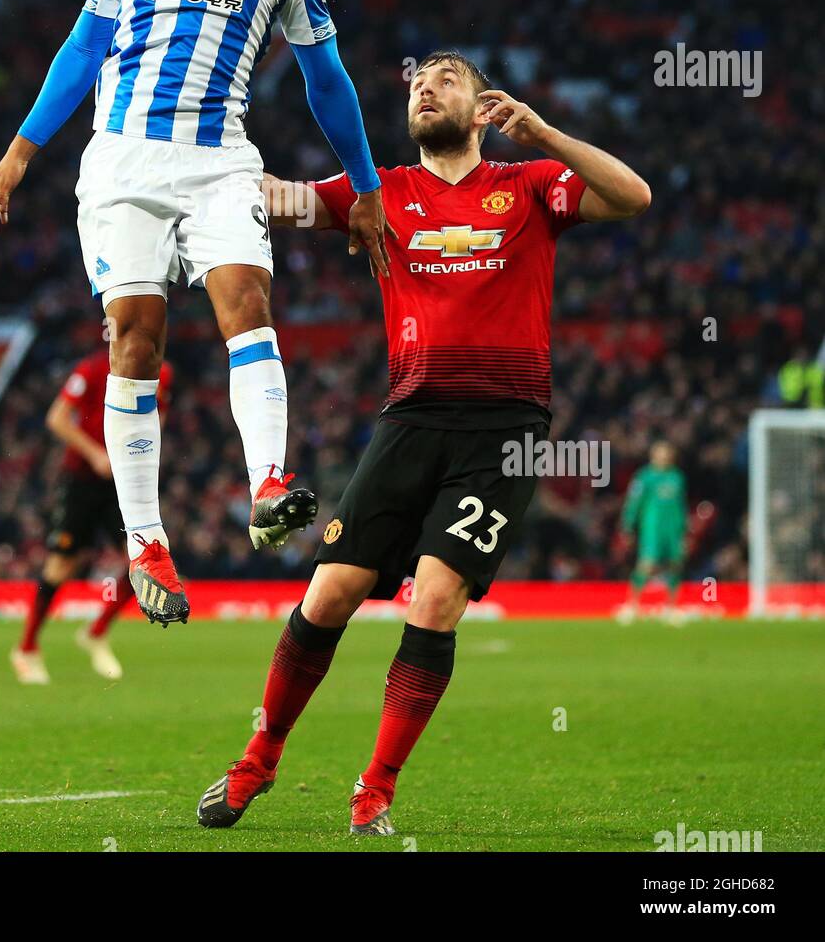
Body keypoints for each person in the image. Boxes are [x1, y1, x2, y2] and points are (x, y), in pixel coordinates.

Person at [197, 49, 652, 835]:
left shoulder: (528, 184)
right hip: (407, 421)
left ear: (483, 109)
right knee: (327, 595)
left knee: (435, 602)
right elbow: (279, 203)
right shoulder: (378, 192)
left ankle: (374, 787)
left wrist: (542, 133)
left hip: (501, 432)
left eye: (444, 80)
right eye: (415, 82)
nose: (423, 89)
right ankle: (258, 759)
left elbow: (633, 195)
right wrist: (201, 167)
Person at [0, 0, 387, 626]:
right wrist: (20, 153)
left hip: (221, 162)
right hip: (122, 160)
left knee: (247, 300)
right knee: (136, 335)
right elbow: (85, 44)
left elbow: (327, 81)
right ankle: (144, 539)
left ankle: (268, 482)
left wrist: (369, 189)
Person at [12, 349, 173, 683]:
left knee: (147, 560)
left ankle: (96, 632)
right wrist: (95, 453)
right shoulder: (92, 368)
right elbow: (57, 417)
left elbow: (157, 422)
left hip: (122, 481)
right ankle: (26, 648)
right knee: (62, 565)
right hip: (82, 480)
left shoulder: (162, 373)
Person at [617, 441, 689, 623]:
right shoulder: (644, 477)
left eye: (667, 454)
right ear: (653, 455)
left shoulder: (677, 477)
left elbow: (681, 505)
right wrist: (627, 525)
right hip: (652, 527)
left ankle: (671, 608)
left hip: (672, 528)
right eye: (660, 453)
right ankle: (632, 605)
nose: (664, 457)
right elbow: (634, 502)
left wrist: (684, 529)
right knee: (647, 563)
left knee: (675, 563)